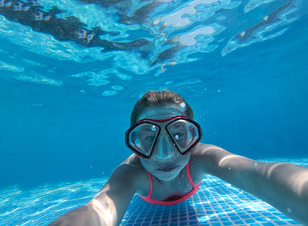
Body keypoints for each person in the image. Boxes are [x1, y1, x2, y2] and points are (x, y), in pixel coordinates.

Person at [49, 90, 308, 226]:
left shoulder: (202, 157)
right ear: (135, 143)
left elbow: (256, 173)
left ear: (193, 136)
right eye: (149, 138)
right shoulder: (131, 173)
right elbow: (98, 209)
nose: (165, 153)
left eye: (178, 135)